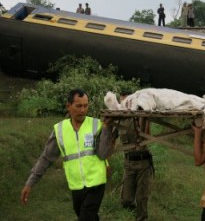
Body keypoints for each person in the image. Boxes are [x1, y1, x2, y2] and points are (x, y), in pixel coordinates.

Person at [20, 89, 110, 220]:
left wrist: (108, 130)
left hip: (96, 183)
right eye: (78, 106)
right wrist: (30, 183)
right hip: (76, 185)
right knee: (86, 216)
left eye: (85, 106)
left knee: (86, 217)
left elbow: (102, 153)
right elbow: (46, 158)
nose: (83, 110)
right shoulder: (60, 130)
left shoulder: (97, 125)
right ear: (68, 106)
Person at [99, 90, 153, 221]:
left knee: (141, 198)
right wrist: (105, 161)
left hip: (143, 162)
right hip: (128, 163)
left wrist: (143, 119)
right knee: (126, 200)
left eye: (127, 101)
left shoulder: (140, 116)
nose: (125, 104)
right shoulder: (119, 121)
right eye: (122, 101)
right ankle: (135, 212)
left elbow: (147, 135)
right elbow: (111, 140)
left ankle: (141, 218)